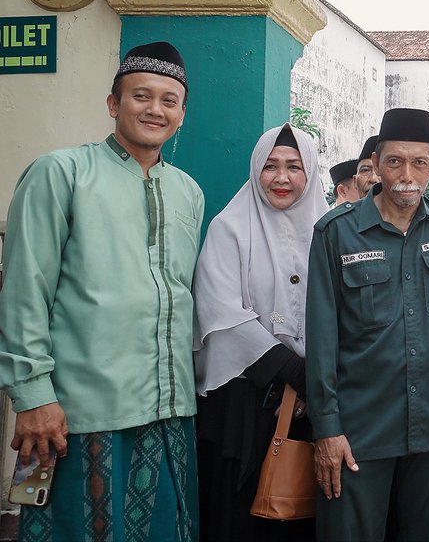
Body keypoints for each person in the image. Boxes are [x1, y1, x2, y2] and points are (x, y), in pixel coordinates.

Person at [0, 42, 204, 542]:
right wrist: (31, 397)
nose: (155, 109)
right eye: (141, 96)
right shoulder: (60, 172)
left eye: (169, 100)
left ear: (181, 114)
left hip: (168, 410)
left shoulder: (188, 191)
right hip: (71, 412)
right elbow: (25, 290)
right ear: (113, 104)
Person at [306, 108, 429, 541]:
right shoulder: (336, 233)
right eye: (394, 161)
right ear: (375, 164)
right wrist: (327, 429)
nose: (406, 174)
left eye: (418, 162)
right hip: (358, 432)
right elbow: (321, 340)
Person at [192, 124, 326, 541]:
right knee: (241, 517)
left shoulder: (331, 231)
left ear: (312, 172)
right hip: (245, 401)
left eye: (293, 166)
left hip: (318, 399)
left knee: (305, 512)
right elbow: (220, 312)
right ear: (255, 170)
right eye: (270, 166)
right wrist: (293, 371)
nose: (281, 178)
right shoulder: (228, 229)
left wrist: (315, 379)